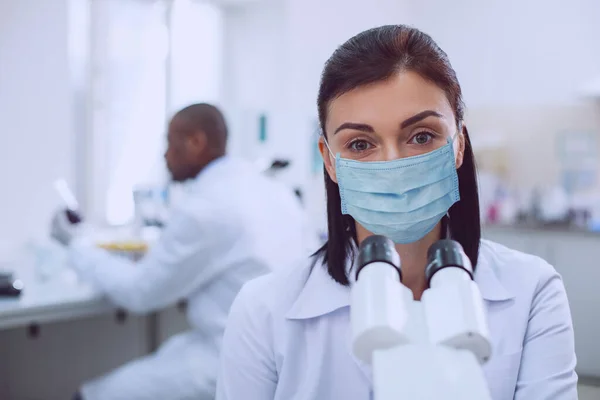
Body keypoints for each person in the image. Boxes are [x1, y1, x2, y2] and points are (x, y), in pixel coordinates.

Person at [216, 26, 578, 400]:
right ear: (330, 161)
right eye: (360, 144)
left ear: (459, 145)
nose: (393, 164)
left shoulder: (532, 291)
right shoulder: (263, 310)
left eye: (421, 136)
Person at [51, 103, 310, 400]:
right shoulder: (275, 191)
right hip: (282, 354)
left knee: (91, 396)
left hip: (230, 357)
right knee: (168, 354)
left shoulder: (205, 208)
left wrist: (76, 246)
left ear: (196, 143)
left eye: (169, 143)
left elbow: (140, 292)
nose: (165, 154)